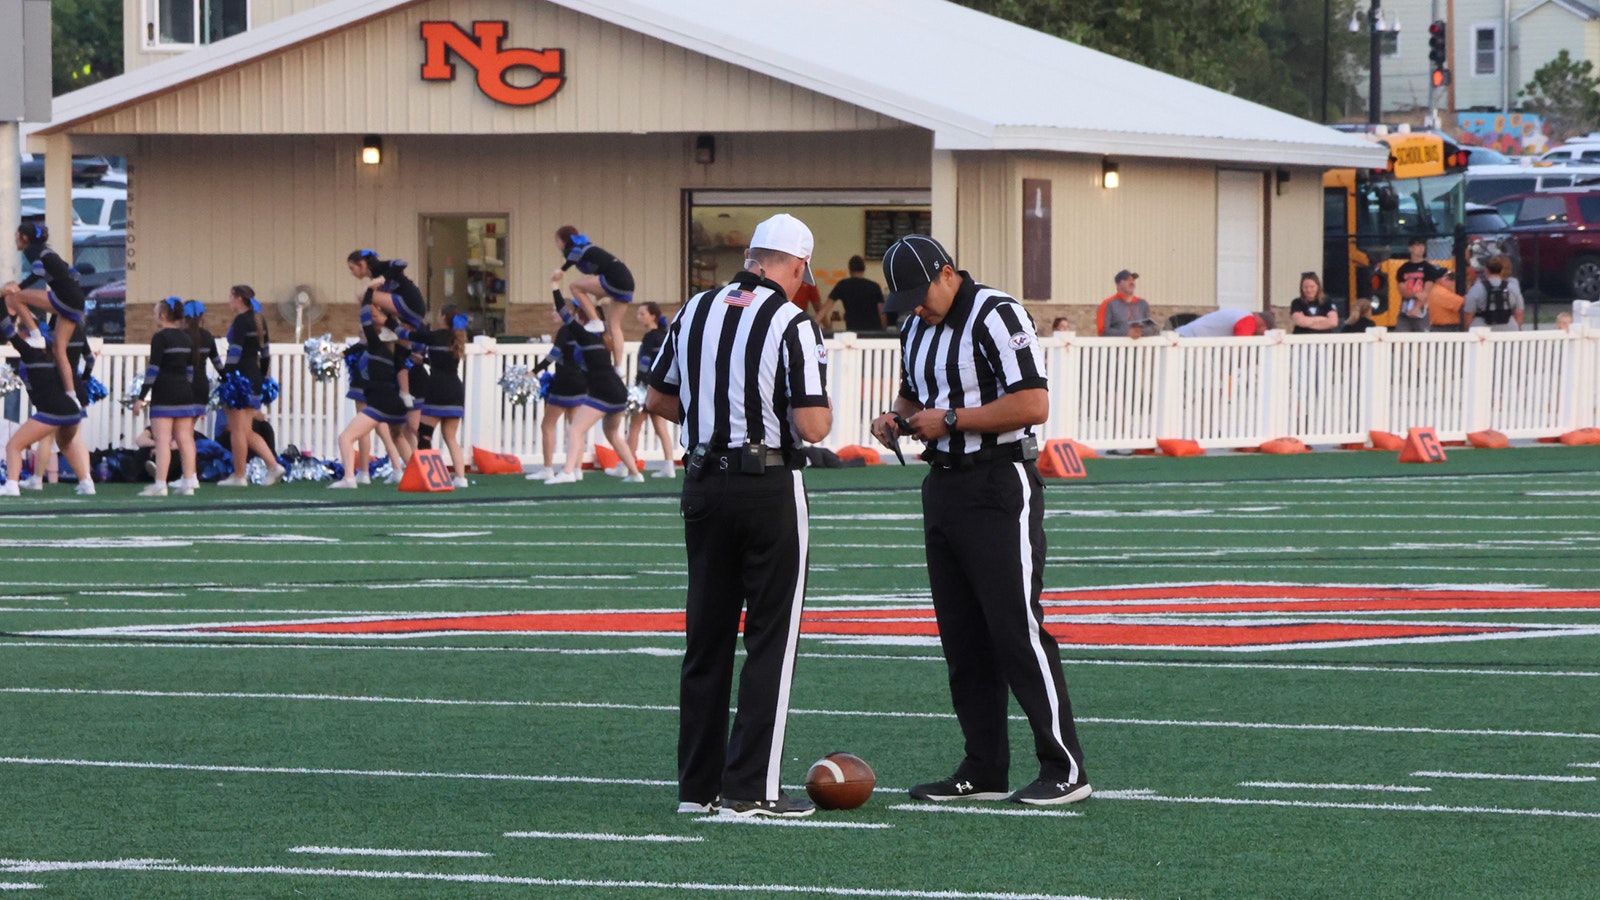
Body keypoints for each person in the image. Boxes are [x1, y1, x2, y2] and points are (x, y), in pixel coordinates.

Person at [868, 234, 1089, 807]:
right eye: (905, 299)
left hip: (997, 481)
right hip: (943, 483)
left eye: (921, 294)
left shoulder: (996, 313)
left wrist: (952, 419)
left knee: (1015, 626)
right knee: (962, 635)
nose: (916, 307)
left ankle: (1064, 766)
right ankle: (984, 764)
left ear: (947, 273)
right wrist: (894, 418)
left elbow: (1033, 403)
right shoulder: (917, 325)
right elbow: (913, 394)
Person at [644, 212, 832, 818]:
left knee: (707, 639)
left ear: (751, 254)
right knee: (770, 640)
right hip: (766, 484)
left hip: (702, 482)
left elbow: (659, 399)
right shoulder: (791, 320)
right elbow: (811, 424)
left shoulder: (695, 308)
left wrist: (714, 416)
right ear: (797, 266)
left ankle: (697, 791)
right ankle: (751, 790)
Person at [544, 273, 643, 485]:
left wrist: (555, 286)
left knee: (575, 430)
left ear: (581, 318)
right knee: (612, 433)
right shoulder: (602, 336)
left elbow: (564, 312)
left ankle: (569, 471)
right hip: (616, 389)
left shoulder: (584, 335)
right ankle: (635, 473)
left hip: (603, 390)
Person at [0, 298, 94, 497]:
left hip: (52, 410)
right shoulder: (51, 352)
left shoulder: (29, 351)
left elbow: (6, 327)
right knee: (66, 444)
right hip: (71, 410)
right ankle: (86, 483)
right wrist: (17, 302)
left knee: (14, 445)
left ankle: (11, 484)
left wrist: (3, 299)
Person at [2, 224, 87, 401]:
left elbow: (38, 273)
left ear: (25, 238)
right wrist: (66, 284)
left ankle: (36, 335)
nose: (15, 240)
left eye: (17, 236)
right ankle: (72, 396)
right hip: (77, 300)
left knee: (17, 297)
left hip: (65, 298)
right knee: (58, 349)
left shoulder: (33, 250)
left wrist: (19, 287)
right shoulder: (50, 253)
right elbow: (74, 273)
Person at [131, 297, 201, 497]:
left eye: (155, 313)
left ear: (162, 315)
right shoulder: (186, 338)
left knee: (162, 440)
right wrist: (185, 388)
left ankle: (160, 483)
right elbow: (190, 370)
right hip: (184, 393)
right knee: (185, 439)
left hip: (165, 393)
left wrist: (141, 397)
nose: (154, 316)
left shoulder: (160, 338)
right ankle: (189, 481)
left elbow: (153, 370)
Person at [217, 286, 285, 486]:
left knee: (237, 430)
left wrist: (227, 377)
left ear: (238, 299)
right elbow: (265, 353)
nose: (229, 300)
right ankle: (273, 465)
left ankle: (239, 476)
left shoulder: (241, 320)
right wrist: (262, 378)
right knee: (246, 430)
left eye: (230, 296)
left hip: (240, 378)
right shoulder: (258, 319)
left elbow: (235, 352)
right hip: (254, 377)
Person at [556, 225, 635, 370]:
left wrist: (562, 270)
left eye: (557, 241)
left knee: (574, 287)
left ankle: (595, 321)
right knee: (613, 325)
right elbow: (595, 279)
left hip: (615, 278)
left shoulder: (575, 248)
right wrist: (597, 295)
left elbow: (575, 255)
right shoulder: (588, 248)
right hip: (627, 281)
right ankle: (619, 367)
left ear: (562, 240)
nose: (558, 245)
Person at [412, 305, 470, 488]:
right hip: (455, 390)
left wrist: (390, 321)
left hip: (437, 389)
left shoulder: (434, 336)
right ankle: (461, 478)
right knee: (451, 437)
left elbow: (410, 335)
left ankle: (428, 476)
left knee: (424, 435)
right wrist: (426, 361)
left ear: (443, 317)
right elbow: (444, 363)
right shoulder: (456, 339)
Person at [627, 302, 676, 479]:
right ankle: (669, 464)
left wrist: (639, 382)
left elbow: (645, 361)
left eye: (642, 314)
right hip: (659, 386)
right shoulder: (663, 335)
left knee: (635, 425)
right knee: (660, 426)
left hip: (647, 386)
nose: (639, 317)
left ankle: (628, 465)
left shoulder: (651, 336)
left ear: (652, 316)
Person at [818, 256, 886, 332]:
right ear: (864, 269)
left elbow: (825, 308)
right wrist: (883, 331)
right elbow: (882, 312)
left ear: (849, 269)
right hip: (874, 332)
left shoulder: (843, 285)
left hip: (854, 332)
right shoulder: (874, 286)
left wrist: (812, 325)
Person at [1391, 237, 1444, 333]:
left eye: (1422, 245)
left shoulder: (1429, 268)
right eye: (1417, 245)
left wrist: (1416, 308)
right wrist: (1415, 294)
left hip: (1421, 311)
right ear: (1410, 248)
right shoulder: (1403, 268)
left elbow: (1426, 291)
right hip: (1405, 309)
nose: (1421, 248)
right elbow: (1402, 290)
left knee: (1421, 341)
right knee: (1400, 338)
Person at [1461, 255, 1525, 332]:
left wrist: (1466, 329)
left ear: (1487, 270)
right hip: (1509, 329)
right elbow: (1519, 313)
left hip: (1481, 331)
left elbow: (1468, 313)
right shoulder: (1513, 287)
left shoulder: (1477, 288)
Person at [1096, 269, 1152, 337]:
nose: (1131, 282)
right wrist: (1126, 334)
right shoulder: (1108, 304)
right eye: (1127, 280)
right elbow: (1102, 331)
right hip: (1117, 346)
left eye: (1133, 280)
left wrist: (1141, 332)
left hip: (1140, 346)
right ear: (1118, 284)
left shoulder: (1143, 304)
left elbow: (1152, 327)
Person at [1173, 308, 1274, 337]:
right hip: (1190, 339)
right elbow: (1240, 347)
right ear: (1263, 324)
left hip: (1186, 335)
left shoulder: (1241, 314)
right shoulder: (1248, 321)